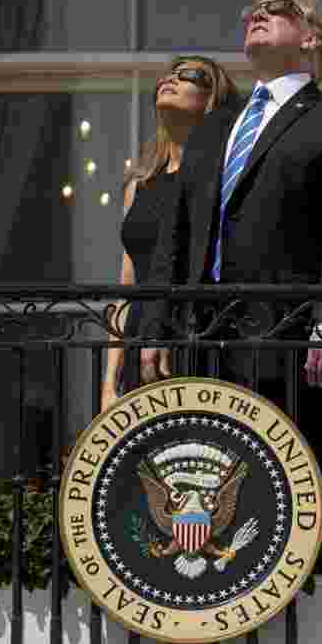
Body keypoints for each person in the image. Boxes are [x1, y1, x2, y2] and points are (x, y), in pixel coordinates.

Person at [140, 0, 322, 484]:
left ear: (312, 35)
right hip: (204, 348)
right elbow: (177, 234)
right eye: (254, 8)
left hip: (294, 350)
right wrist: (156, 326)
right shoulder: (214, 126)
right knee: (207, 500)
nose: (259, 13)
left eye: (280, 8)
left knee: (298, 504)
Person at [101, 56, 239, 412]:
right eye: (168, 75)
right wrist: (108, 382)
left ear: (214, 98)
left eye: (189, 75)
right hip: (139, 339)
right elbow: (126, 290)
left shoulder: (224, 175)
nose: (171, 80)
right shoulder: (140, 183)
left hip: (196, 338)